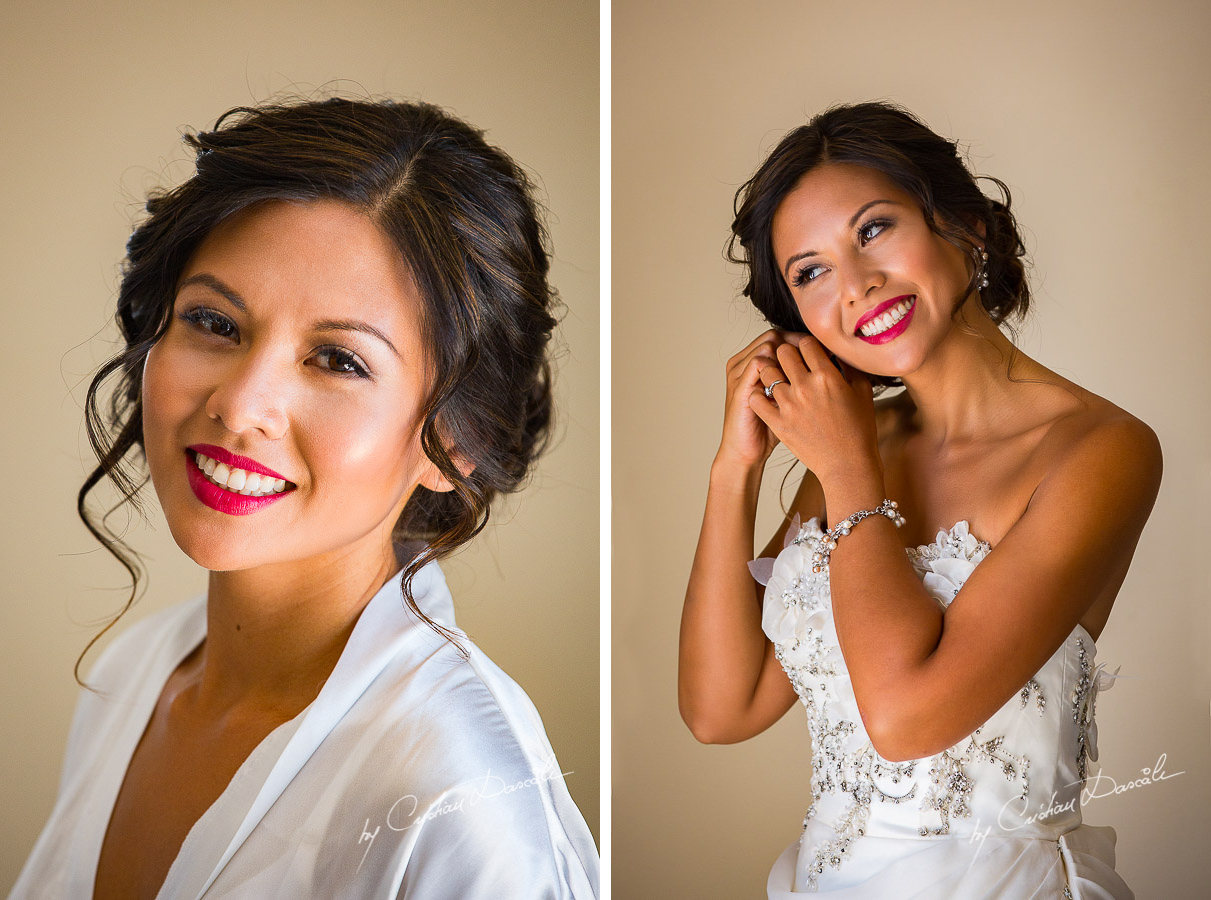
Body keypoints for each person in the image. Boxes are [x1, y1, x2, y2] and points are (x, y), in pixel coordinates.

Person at [11, 97, 598, 899]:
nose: (241, 404)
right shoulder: (133, 674)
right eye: (215, 322)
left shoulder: (461, 801)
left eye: (337, 361)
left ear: (453, 442)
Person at [678, 101, 1157, 898]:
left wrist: (847, 469)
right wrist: (735, 468)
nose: (857, 286)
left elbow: (905, 720)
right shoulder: (853, 449)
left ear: (964, 226)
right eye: (810, 271)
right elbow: (722, 709)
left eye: (873, 230)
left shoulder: (1100, 450)